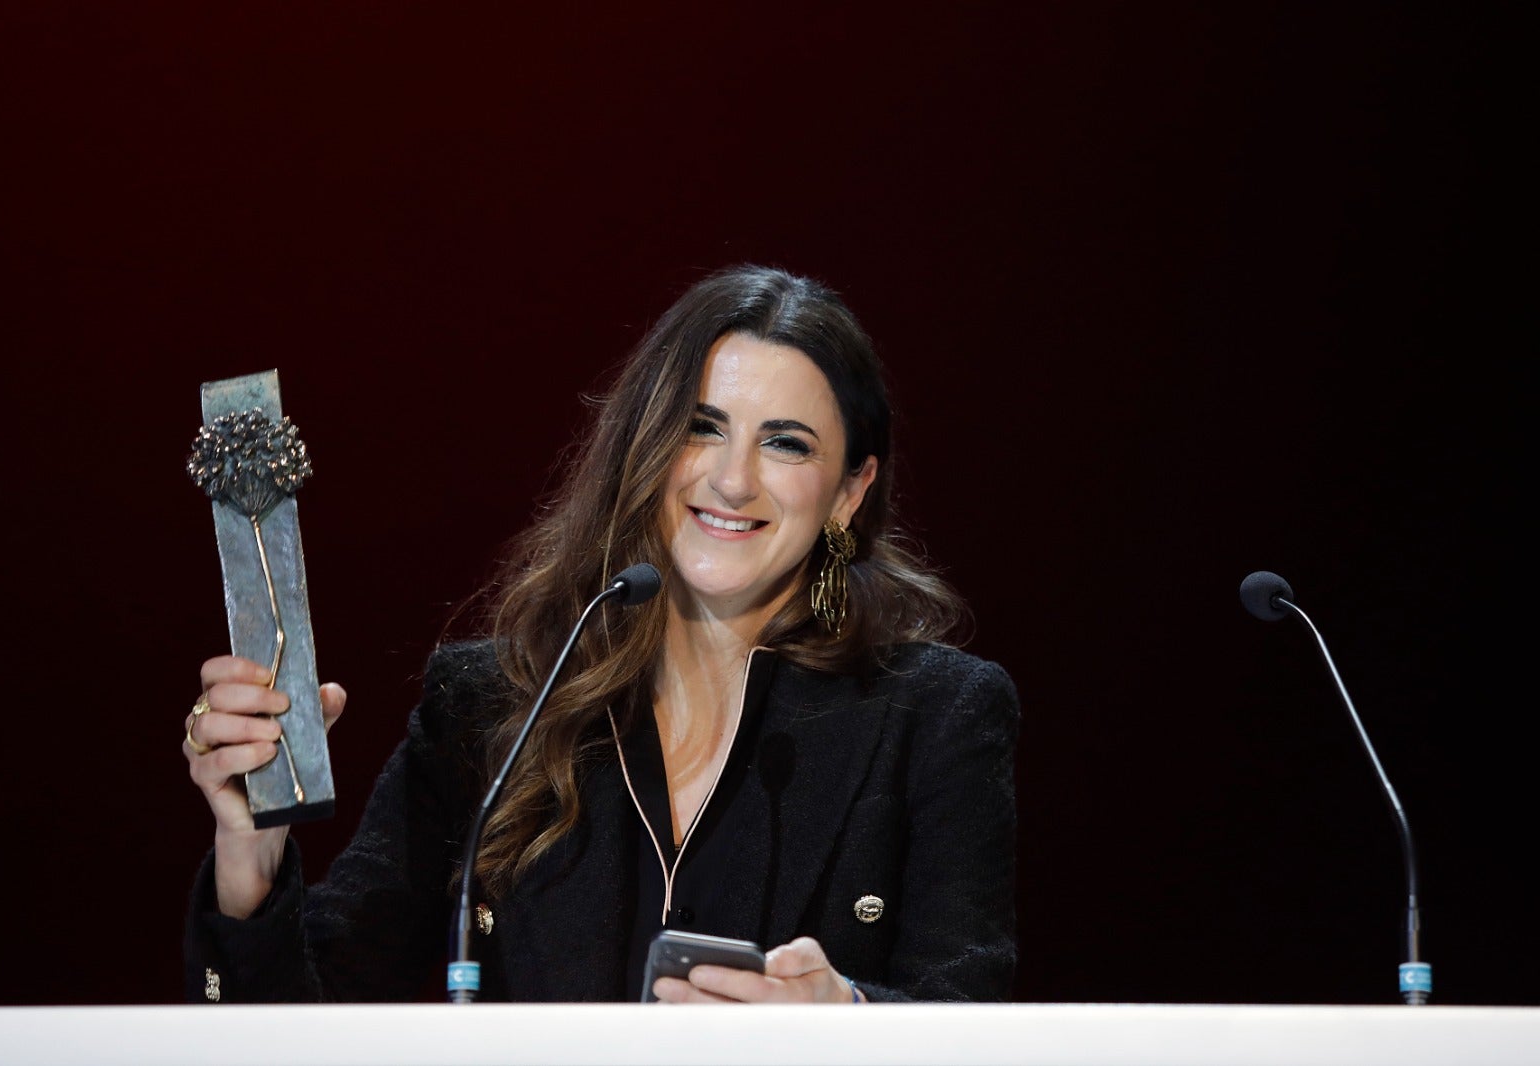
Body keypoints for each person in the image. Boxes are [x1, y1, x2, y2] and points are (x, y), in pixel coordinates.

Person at [182, 264, 1019, 1004]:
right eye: (702, 427)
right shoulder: (489, 715)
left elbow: (975, 1018)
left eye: (786, 444)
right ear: (643, 447)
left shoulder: (934, 720)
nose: (732, 479)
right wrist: (248, 862)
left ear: (848, 491)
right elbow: (303, 1030)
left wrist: (847, 1024)